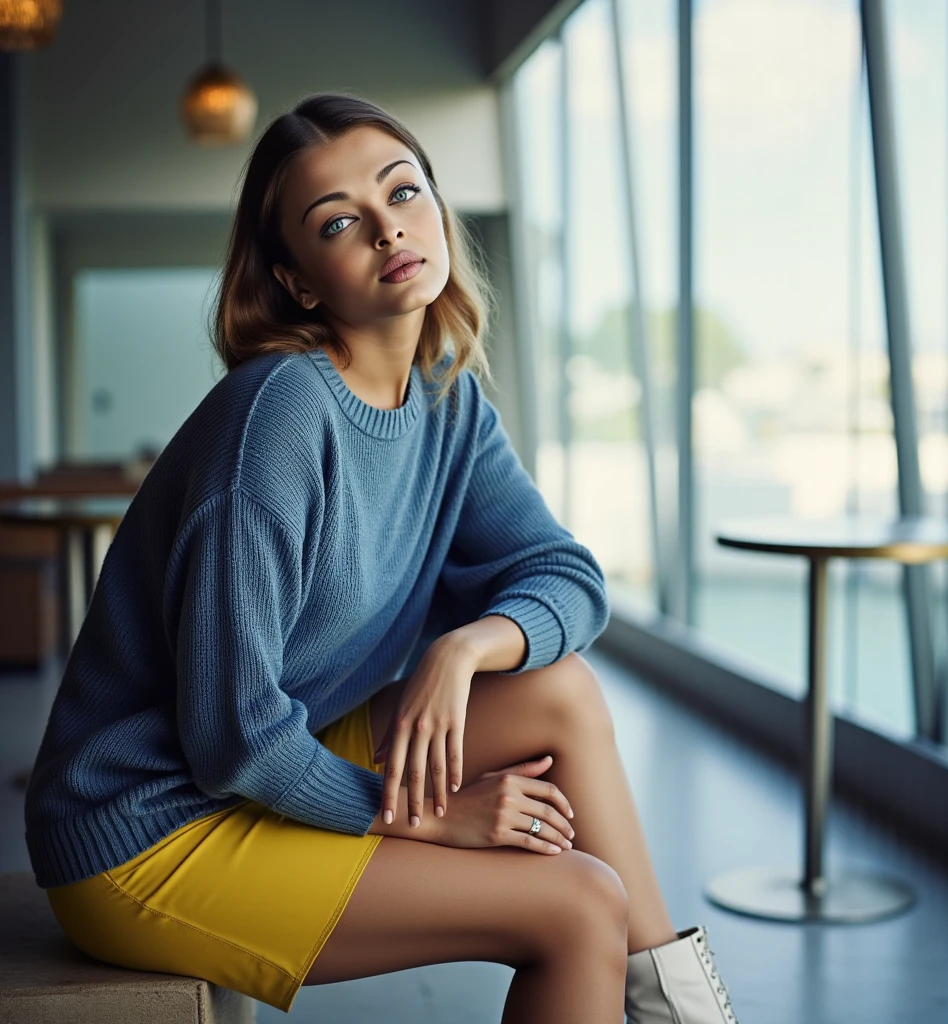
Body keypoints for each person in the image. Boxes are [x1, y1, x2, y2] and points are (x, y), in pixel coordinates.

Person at [24, 92, 738, 1023]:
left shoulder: (447, 400)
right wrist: (429, 815)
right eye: (339, 222)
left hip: (277, 753)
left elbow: (570, 580)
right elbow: (232, 733)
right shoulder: (279, 413)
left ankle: (684, 1015)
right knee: (577, 904)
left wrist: (464, 648)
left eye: (403, 194)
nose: (387, 229)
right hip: (151, 828)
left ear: (438, 212)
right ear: (300, 281)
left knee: (560, 690)